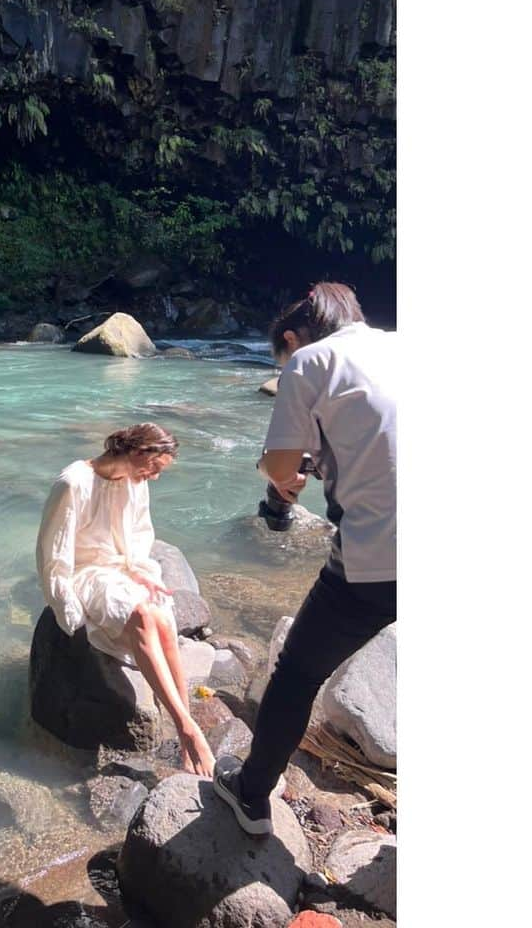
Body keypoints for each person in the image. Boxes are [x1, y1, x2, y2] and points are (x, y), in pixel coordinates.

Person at [213, 282, 396, 835]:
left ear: (292, 339)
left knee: (296, 672)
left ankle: (251, 796)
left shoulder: (310, 361)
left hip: (380, 557)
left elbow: (281, 465)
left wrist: (282, 481)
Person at [36, 422, 215, 776]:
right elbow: (52, 554)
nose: (156, 477)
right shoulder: (74, 483)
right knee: (143, 616)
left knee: (162, 616)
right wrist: (67, 611)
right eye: (156, 468)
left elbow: (137, 537)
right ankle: (188, 731)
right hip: (85, 574)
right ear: (137, 454)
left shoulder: (136, 482)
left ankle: (185, 721)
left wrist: (142, 574)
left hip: (119, 571)